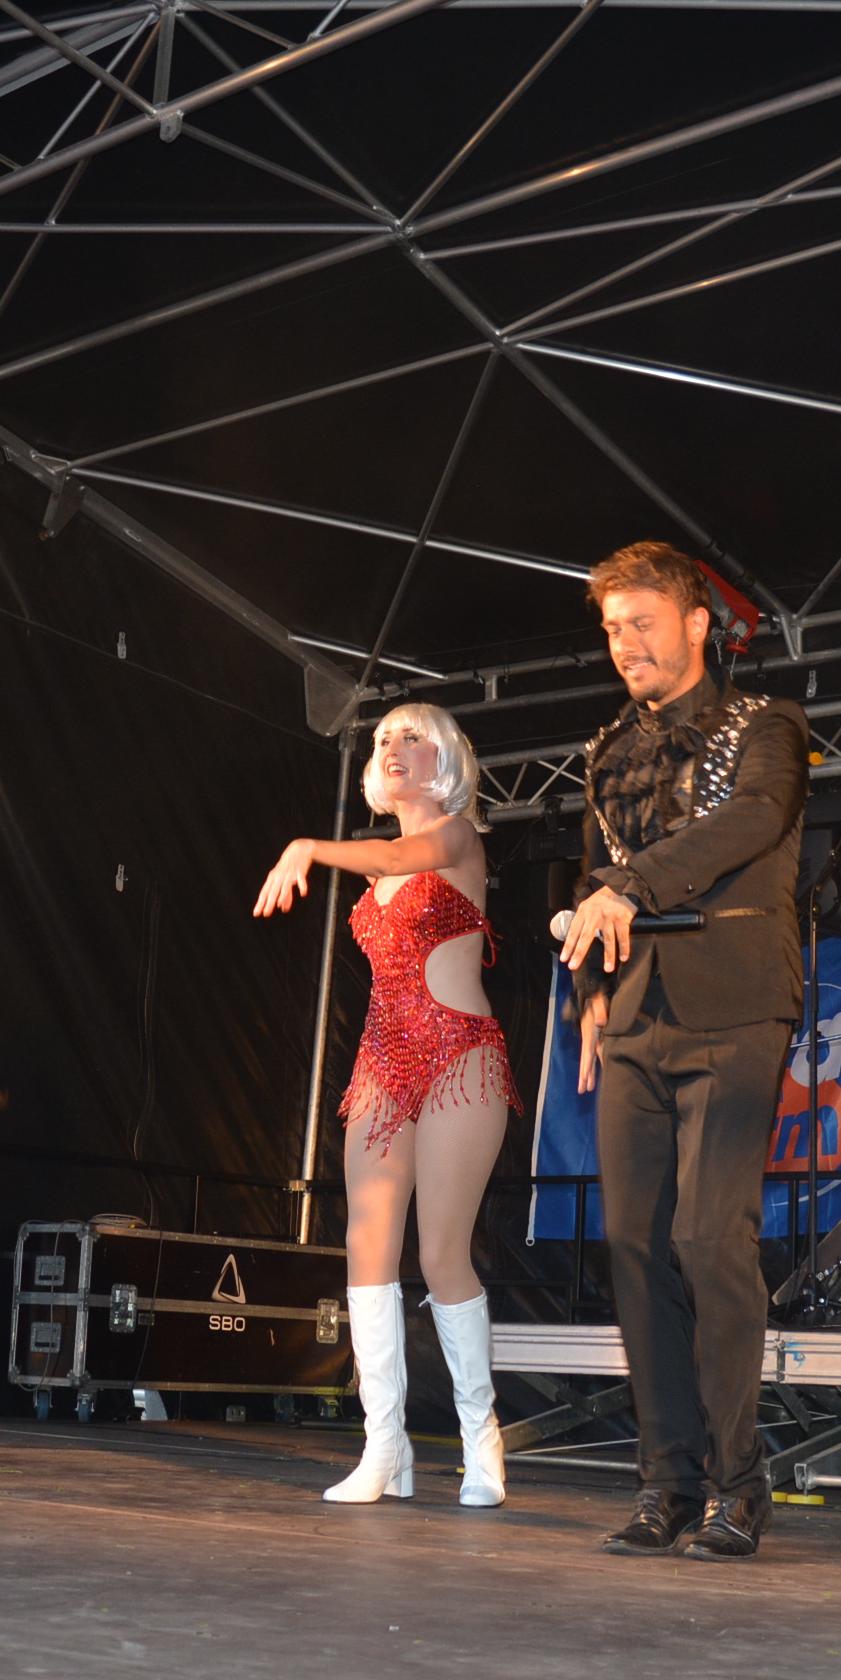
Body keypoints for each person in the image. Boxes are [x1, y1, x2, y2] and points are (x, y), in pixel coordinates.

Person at [558, 543, 807, 1560]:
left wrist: (632, 887)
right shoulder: (607, 749)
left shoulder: (767, 726)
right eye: (612, 629)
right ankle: (666, 1481)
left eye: (642, 622)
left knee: (709, 1239)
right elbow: (590, 874)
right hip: (634, 1014)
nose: (625, 644)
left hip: (735, 1006)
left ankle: (738, 1485)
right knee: (632, 1243)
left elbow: (750, 820)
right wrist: (588, 995)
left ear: (697, 623)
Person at [255, 703, 518, 1506]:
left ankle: (481, 1440)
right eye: (382, 739)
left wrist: (308, 846)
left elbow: (404, 851)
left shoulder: (458, 837)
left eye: (413, 737)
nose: (393, 747)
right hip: (381, 1064)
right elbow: (386, 862)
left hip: (459, 1055)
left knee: (440, 1254)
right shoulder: (378, 873)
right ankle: (384, 1448)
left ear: (447, 758)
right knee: (365, 1247)